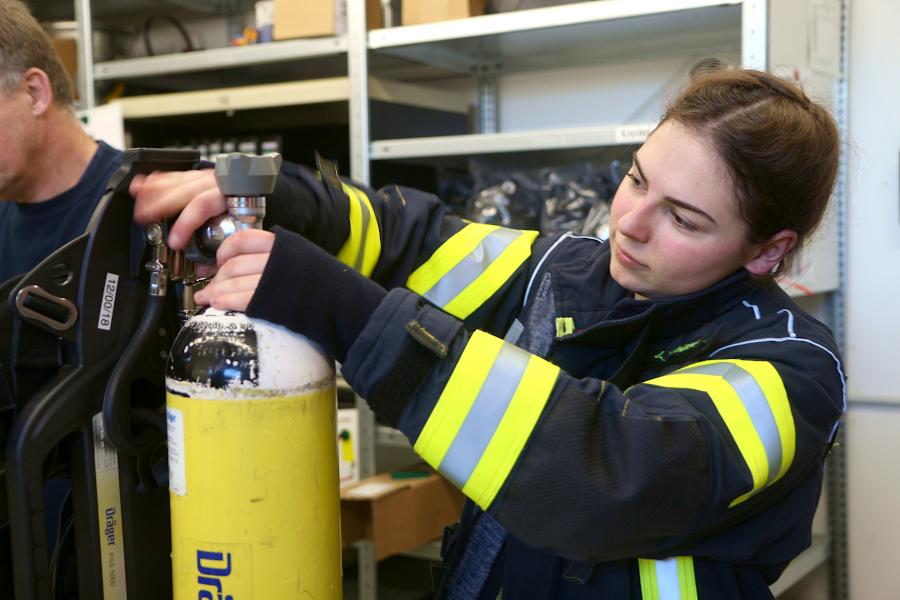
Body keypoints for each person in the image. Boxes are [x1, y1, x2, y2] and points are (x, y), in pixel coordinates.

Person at [133, 65, 844, 599]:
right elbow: (414, 242)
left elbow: (602, 471)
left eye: (684, 219)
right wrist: (286, 199)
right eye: (635, 179)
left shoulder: (792, 372)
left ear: (766, 250)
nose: (628, 221)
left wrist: (342, 310)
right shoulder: (571, 269)